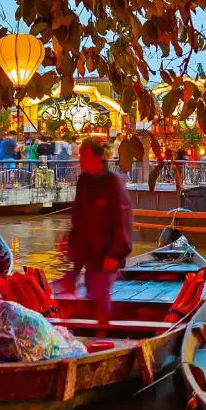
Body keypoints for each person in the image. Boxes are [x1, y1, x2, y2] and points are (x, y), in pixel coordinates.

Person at [63, 139, 133, 327]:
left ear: (96, 157)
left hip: (106, 253)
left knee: (99, 292)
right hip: (87, 250)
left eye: (84, 155)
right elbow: (78, 217)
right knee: (82, 291)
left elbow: (122, 220)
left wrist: (115, 254)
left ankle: (103, 333)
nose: (80, 160)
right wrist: (73, 249)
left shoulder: (113, 182)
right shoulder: (84, 181)